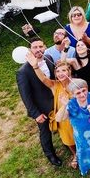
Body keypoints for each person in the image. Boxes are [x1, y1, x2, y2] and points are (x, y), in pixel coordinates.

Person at [26, 56, 78, 168]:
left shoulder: (76, 83)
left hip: (77, 117)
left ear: (69, 71)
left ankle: (83, 153)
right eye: (58, 71)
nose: (60, 73)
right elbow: (44, 79)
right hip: (63, 118)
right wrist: (35, 66)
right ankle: (75, 155)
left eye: (64, 70)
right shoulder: (55, 85)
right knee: (68, 139)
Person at [16, 38, 61, 166]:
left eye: (40, 46)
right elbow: (26, 96)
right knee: (45, 132)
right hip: (41, 107)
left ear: (45, 47)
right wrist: (36, 114)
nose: (38, 49)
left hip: (56, 100)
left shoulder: (48, 58)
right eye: (35, 47)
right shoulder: (23, 71)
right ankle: (51, 155)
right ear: (30, 50)